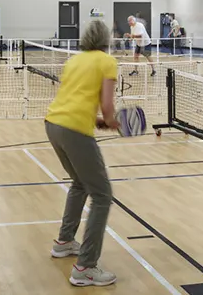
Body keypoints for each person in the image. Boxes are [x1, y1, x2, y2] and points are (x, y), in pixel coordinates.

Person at [45, 20, 119, 287]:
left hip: (53, 125)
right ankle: (85, 267)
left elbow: (75, 99)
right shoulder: (107, 61)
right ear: (106, 39)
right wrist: (111, 121)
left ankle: (64, 242)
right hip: (74, 130)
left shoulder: (73, 61)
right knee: (102, 195)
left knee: (79, 183)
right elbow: (107, 106)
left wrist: (97, 120)